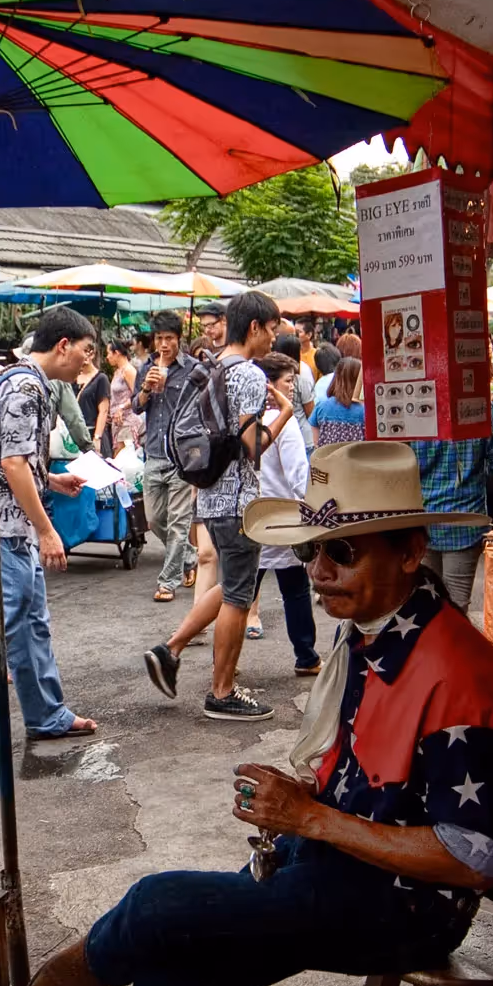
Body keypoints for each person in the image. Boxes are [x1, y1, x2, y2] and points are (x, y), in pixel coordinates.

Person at [27, 442, 493, 986]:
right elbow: (374, 782)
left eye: (344, 552)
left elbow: (474, 861)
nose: (321, 570)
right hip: (341, 871)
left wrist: (312, 819)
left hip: (407, 908)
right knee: (168, 965)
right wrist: (307, 805)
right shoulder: (378, 635)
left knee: (157, 906)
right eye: (312, 554)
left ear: (412, 551)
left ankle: (80, 968)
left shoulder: (459, 673)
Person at [143, 290, 295, 723]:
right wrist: (283, 414)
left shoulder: (211, 366)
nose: (273, 338)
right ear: (254, 327)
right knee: (239, 597)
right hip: (239, 501)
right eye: (271, 329)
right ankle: (222, 692)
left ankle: (170, 649)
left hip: (210, 496)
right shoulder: (248, 373)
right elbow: (252, 445)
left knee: (230, 584)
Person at [0, 308, 98, 739]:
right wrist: (46, 529)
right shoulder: (26, 387)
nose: (87, 361)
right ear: (63, 345)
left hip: (3, 520)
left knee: (28, 622)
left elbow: (12, 459)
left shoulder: (22, 379)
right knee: (1, 624)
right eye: (86, 350)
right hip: (2, 525)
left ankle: (47, 715)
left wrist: (51, 479)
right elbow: (13, 464)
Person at [251, 353, 320, 676]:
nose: (293, 387)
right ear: (270, 385)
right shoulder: (285, 420)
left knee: (237, 592)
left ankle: (222, 661)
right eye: (288, 381)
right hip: (281, 516)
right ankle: (306, 657)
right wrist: (310, 511)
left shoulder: (246, 417)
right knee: (294, 590)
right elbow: (297, 475)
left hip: (250, 515)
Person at [408, 410, 493, 611]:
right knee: (457, 604)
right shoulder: (480, 406)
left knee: (425, 602)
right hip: (465, 521)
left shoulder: (413, 403)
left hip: (421, 520)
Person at [134, 310, 200, 605]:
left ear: (179, 339)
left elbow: (200, 409)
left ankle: (167, 582)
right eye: (159, 338)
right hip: (153, 454)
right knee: (154, 519)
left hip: (181, 456)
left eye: (169, 338)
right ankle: (190, 557)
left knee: (178, 522)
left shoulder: (193, 370)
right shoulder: (145, 368)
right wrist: (146, 389)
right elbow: (136, 407)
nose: (163, 344)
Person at [309, 355, 366, 446]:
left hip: (327, 455)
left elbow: (315, 442)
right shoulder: (364, 411)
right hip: (355, 455)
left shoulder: (321, 407)